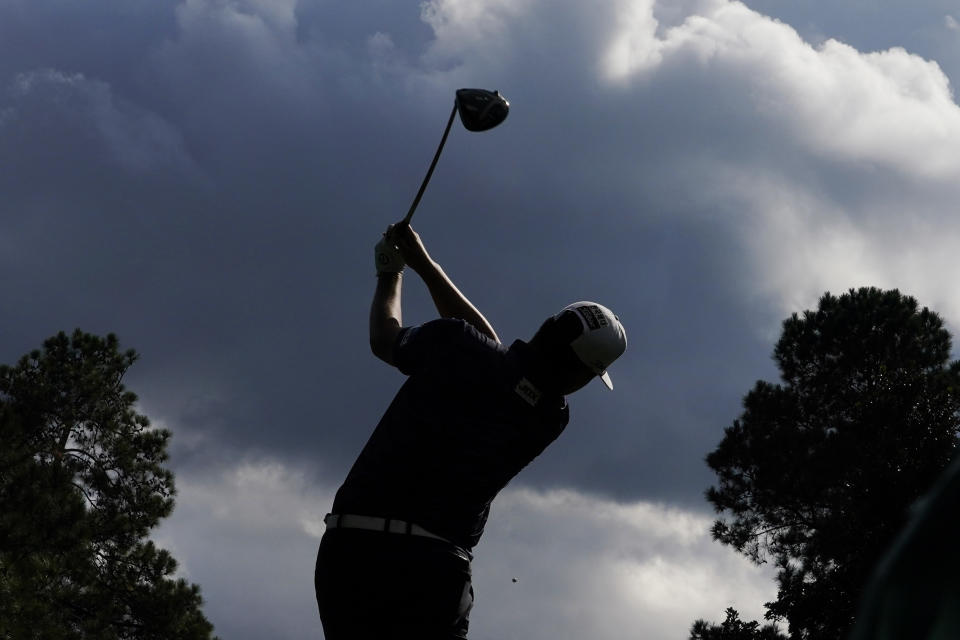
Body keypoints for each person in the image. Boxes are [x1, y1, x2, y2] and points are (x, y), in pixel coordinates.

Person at [314, 223, 627, 639]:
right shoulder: (550, 418)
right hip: (432, 568)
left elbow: (384, 338)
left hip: (350, 548)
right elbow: (490, 351)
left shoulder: (456, 345)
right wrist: (423, 265)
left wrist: (393, 273)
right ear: (577, 372)